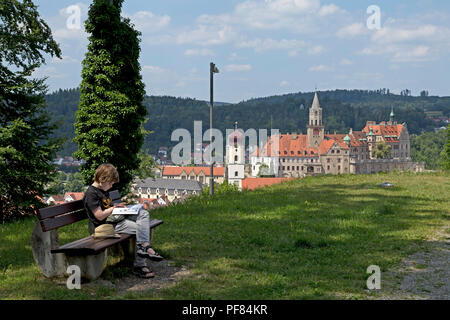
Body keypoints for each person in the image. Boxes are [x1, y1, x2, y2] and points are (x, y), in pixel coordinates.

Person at [83, 163, 163, 279]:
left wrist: (116, 205)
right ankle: (140, 265)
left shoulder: (102, 189)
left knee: (143, 213)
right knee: (142, 229)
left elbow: (106, 206)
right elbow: (99, 216)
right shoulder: (91, 194)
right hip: (108, 226)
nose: (111, 186)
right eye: (110, 183)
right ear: (102, 179)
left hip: (115, 219)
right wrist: (113, 208)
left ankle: (143, 247)